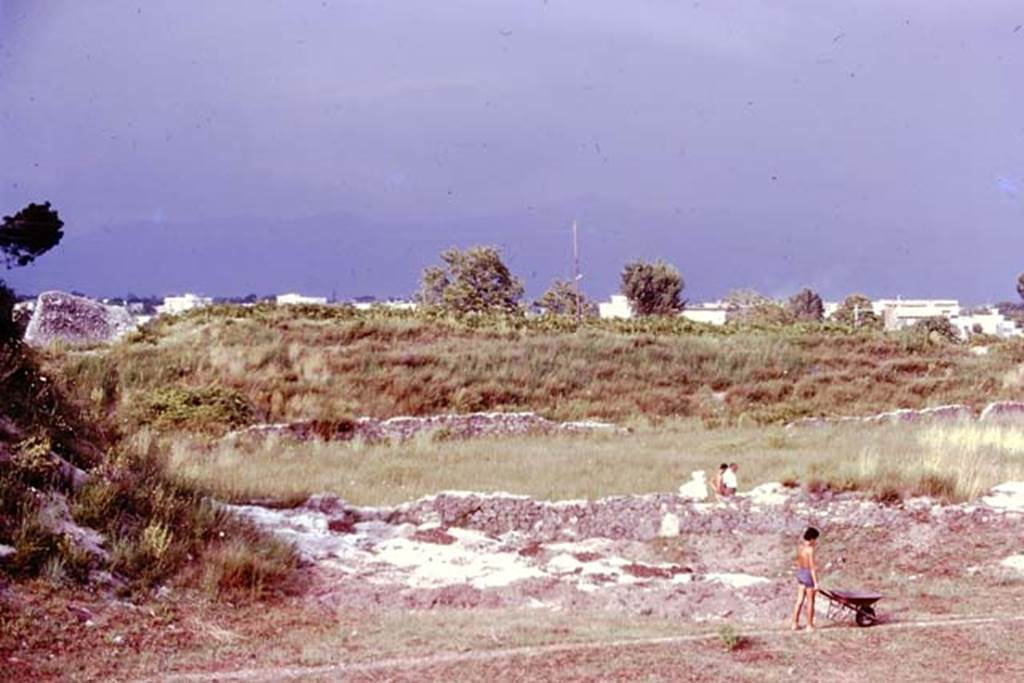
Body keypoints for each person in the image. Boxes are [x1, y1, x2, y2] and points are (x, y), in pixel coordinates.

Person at [791, 526, 821, 631]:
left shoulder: (800, 548)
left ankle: (794, 623)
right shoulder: (810, 550)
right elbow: (812, 567)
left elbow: (798, 562)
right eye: (815, 539)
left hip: (801, 572)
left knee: (799, 600)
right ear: (812, 539)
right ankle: (809, 625)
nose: (816, 542)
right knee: (810, 601)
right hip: (808, 574)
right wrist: (816, 583)